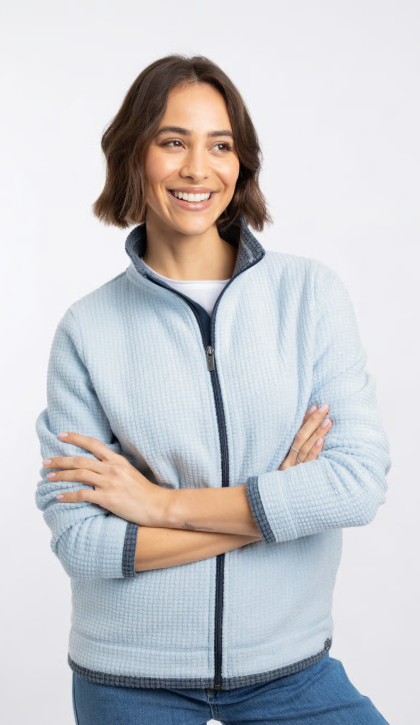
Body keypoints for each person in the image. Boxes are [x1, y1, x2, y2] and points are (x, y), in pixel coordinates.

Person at [35, 54, 392, 724]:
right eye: (173, 142)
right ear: (134, 156)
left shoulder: (309, 296)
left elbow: (356, 483)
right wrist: (280, 504)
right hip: (128, 675)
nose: (198, 168)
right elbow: (82, 541)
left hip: (290, 667)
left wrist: (159, 506)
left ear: (241, 162)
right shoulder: (88, 328)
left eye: (220, 145)